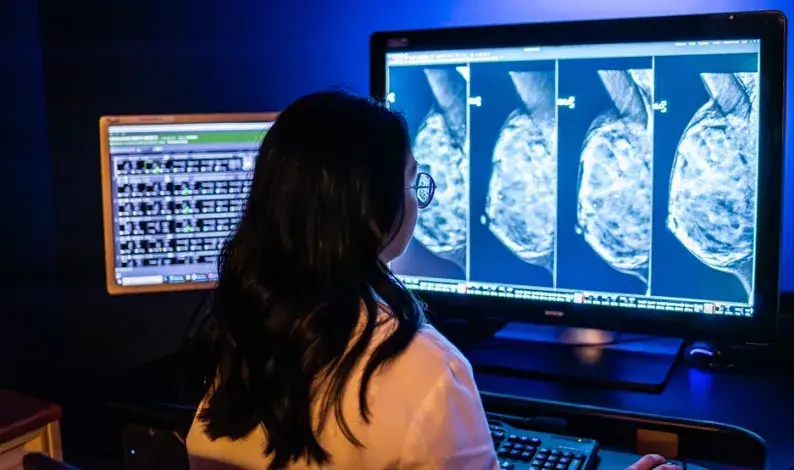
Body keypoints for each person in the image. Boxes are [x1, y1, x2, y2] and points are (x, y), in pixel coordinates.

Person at [186, 90, 680, 470]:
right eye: (410, 181)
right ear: (371, 211)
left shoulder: (242, 337)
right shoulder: (423, 372)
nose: (417, 201)